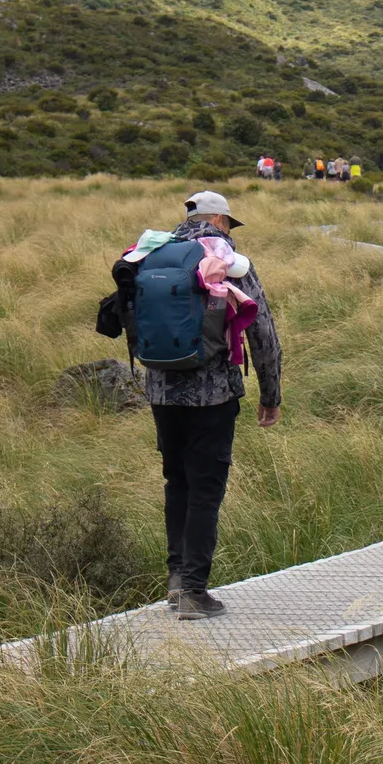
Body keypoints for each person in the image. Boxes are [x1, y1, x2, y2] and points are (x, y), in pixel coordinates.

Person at [138, 191, 282, 621]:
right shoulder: (226, 259)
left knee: (177, 482)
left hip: (161, 390)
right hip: (213, 394)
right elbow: (262, 332)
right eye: (228, 223)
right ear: (219, 219)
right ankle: (193, 591)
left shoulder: (152, 254)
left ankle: (176, 579)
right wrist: (270, 396)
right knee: (205, 488)